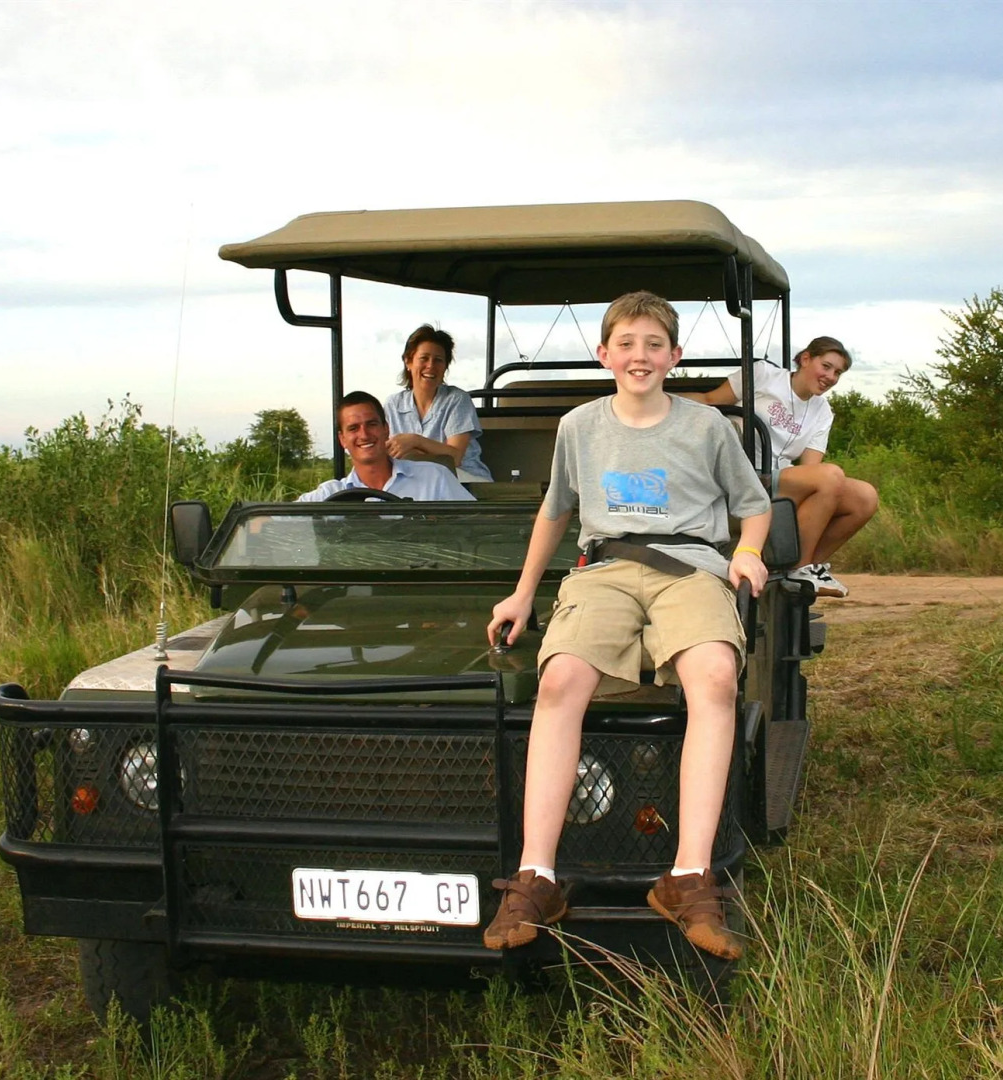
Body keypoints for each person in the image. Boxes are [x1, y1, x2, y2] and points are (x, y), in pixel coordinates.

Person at [482, 291, 770, 961]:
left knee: (716, 676)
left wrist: (748, 553)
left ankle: (689, 877)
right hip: (604, 568)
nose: (639, 355)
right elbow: (554, 513)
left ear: (674, 355)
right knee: (558, 681)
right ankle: (537, 877)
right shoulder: (578, 426)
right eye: (627, 343)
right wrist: (522, 595)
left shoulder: (706, 428)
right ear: (602, 352)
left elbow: (753, 507)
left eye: (652, 344)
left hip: (689, 567)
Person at [692, 336, 878, 598]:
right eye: (826, 366)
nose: (831, 377)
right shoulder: (765, 375)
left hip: (778, 478)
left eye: (838, 373)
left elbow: (812, 467)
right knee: (831, 476)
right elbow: (710, 399)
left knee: (865, 497)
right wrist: (656, 398)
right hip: (743, 474)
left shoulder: (822, 410)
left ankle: (806, 565)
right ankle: (799, 567)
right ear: (805, 359)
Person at [298, 391, 475, 502]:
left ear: (386, 429)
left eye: (372, 424)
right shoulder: (331, 495)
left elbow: (479, 523)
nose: (364, 434)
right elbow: (277, 522)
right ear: (342, 439)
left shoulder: (435, 478)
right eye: (353, 428)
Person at [383, 325, 493, 483]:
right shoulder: (393, 404)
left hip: (464, 479)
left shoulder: (457, 400)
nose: (431, 366)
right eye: (424, 358)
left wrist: (415, 441)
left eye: (438, 360)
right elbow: (389, 453)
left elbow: (454, 457)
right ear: (408, 361)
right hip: (414, 478)